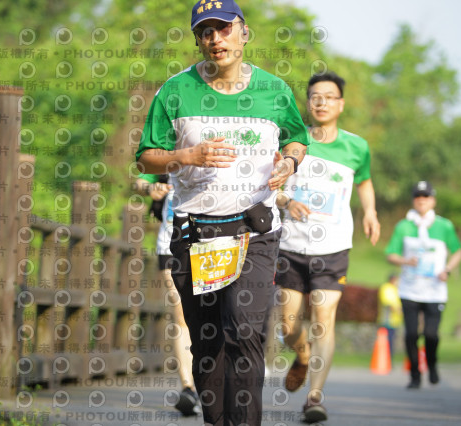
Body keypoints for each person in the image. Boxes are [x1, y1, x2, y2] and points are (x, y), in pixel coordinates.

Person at [135, 0, 309, 424]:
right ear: (198, 40)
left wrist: (289, 162)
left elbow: (297, 138)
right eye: (206, 32)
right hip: (195, 233)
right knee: (207, 343)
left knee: (243, 330)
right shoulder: (175, 90)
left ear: (244, 33)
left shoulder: (274, 90)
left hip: (255, 230)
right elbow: (146, 158)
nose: (216, 39)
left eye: (224, 28)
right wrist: (187, 155)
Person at [274, 71, 380, 423]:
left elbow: (364, 181)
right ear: (308, 102)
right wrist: (287, 202)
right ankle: (303, 356)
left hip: (333, 247)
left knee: (323, 318)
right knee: (289, 326)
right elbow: (271, 186)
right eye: (315, 96)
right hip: (290, 244)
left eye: (329, 97)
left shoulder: (356, 147)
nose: (322, 102)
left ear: (341, 104)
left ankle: (314, 398)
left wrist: (370, 212)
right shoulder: (292, 142)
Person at [385, 181, 461, 389]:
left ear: (433, 200)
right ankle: (415, 375)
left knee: (431, 334)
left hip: (435, 290)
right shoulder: (403, 226)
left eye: (426, 196)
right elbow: (390, 254)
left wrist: (447, 270)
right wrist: (405, 261)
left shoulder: (444, 226)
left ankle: (432, 364)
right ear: (413, 200)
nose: (421, 200)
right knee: (411, 334)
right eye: (418, 196)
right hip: (409, 289)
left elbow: (458, 250)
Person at [135, 174, 198, 416]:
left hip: (211, 243)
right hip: (170, 243)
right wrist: (151, 187)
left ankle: (210, 380)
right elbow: (139, 181)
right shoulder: (166, 154)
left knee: (211, 315)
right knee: (180, 314)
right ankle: (188, 388)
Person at [377, 273, 403, 363]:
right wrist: (398, 310)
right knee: (386, 342)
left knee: (391, 342)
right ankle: (385, 361)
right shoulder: (386, 288)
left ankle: (388, 361)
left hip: (394, 321)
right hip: (387, 320)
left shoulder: (396, 289)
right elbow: (388, 303)